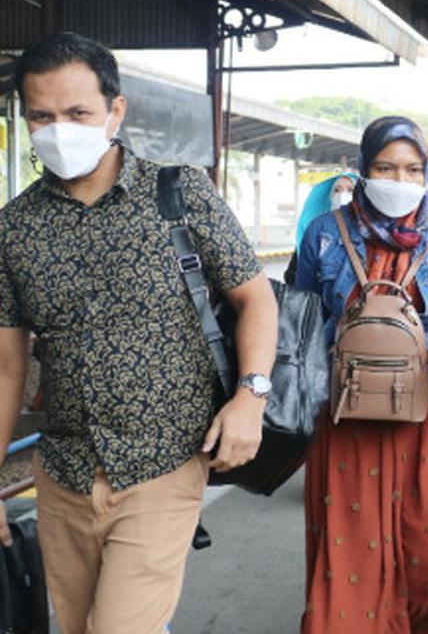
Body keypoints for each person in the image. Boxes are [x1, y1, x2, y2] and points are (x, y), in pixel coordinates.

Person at [0, 31, 278, 634]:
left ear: (114, 111)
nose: (59, 129)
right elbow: (6, 366)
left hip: (165, 460)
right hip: (64, 470)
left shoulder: (178, 194)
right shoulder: (14, 228)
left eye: (77, 113)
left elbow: (254, 295)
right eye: (42, 116)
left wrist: (250, 398)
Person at [295, 115, 428, 633]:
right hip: (346, 416)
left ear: (426, 172)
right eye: (385, 167)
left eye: (412, 169)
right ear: (363, 169)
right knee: (347, 571)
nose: (399, 180)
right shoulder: (325, 232)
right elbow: (300, 321)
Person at [285, 172, 358, 285]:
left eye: (350, 190)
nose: (343, 195)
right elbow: (294, 277)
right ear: (329, 197)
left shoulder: (370, 233)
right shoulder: (315, 232)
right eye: (337, 190)